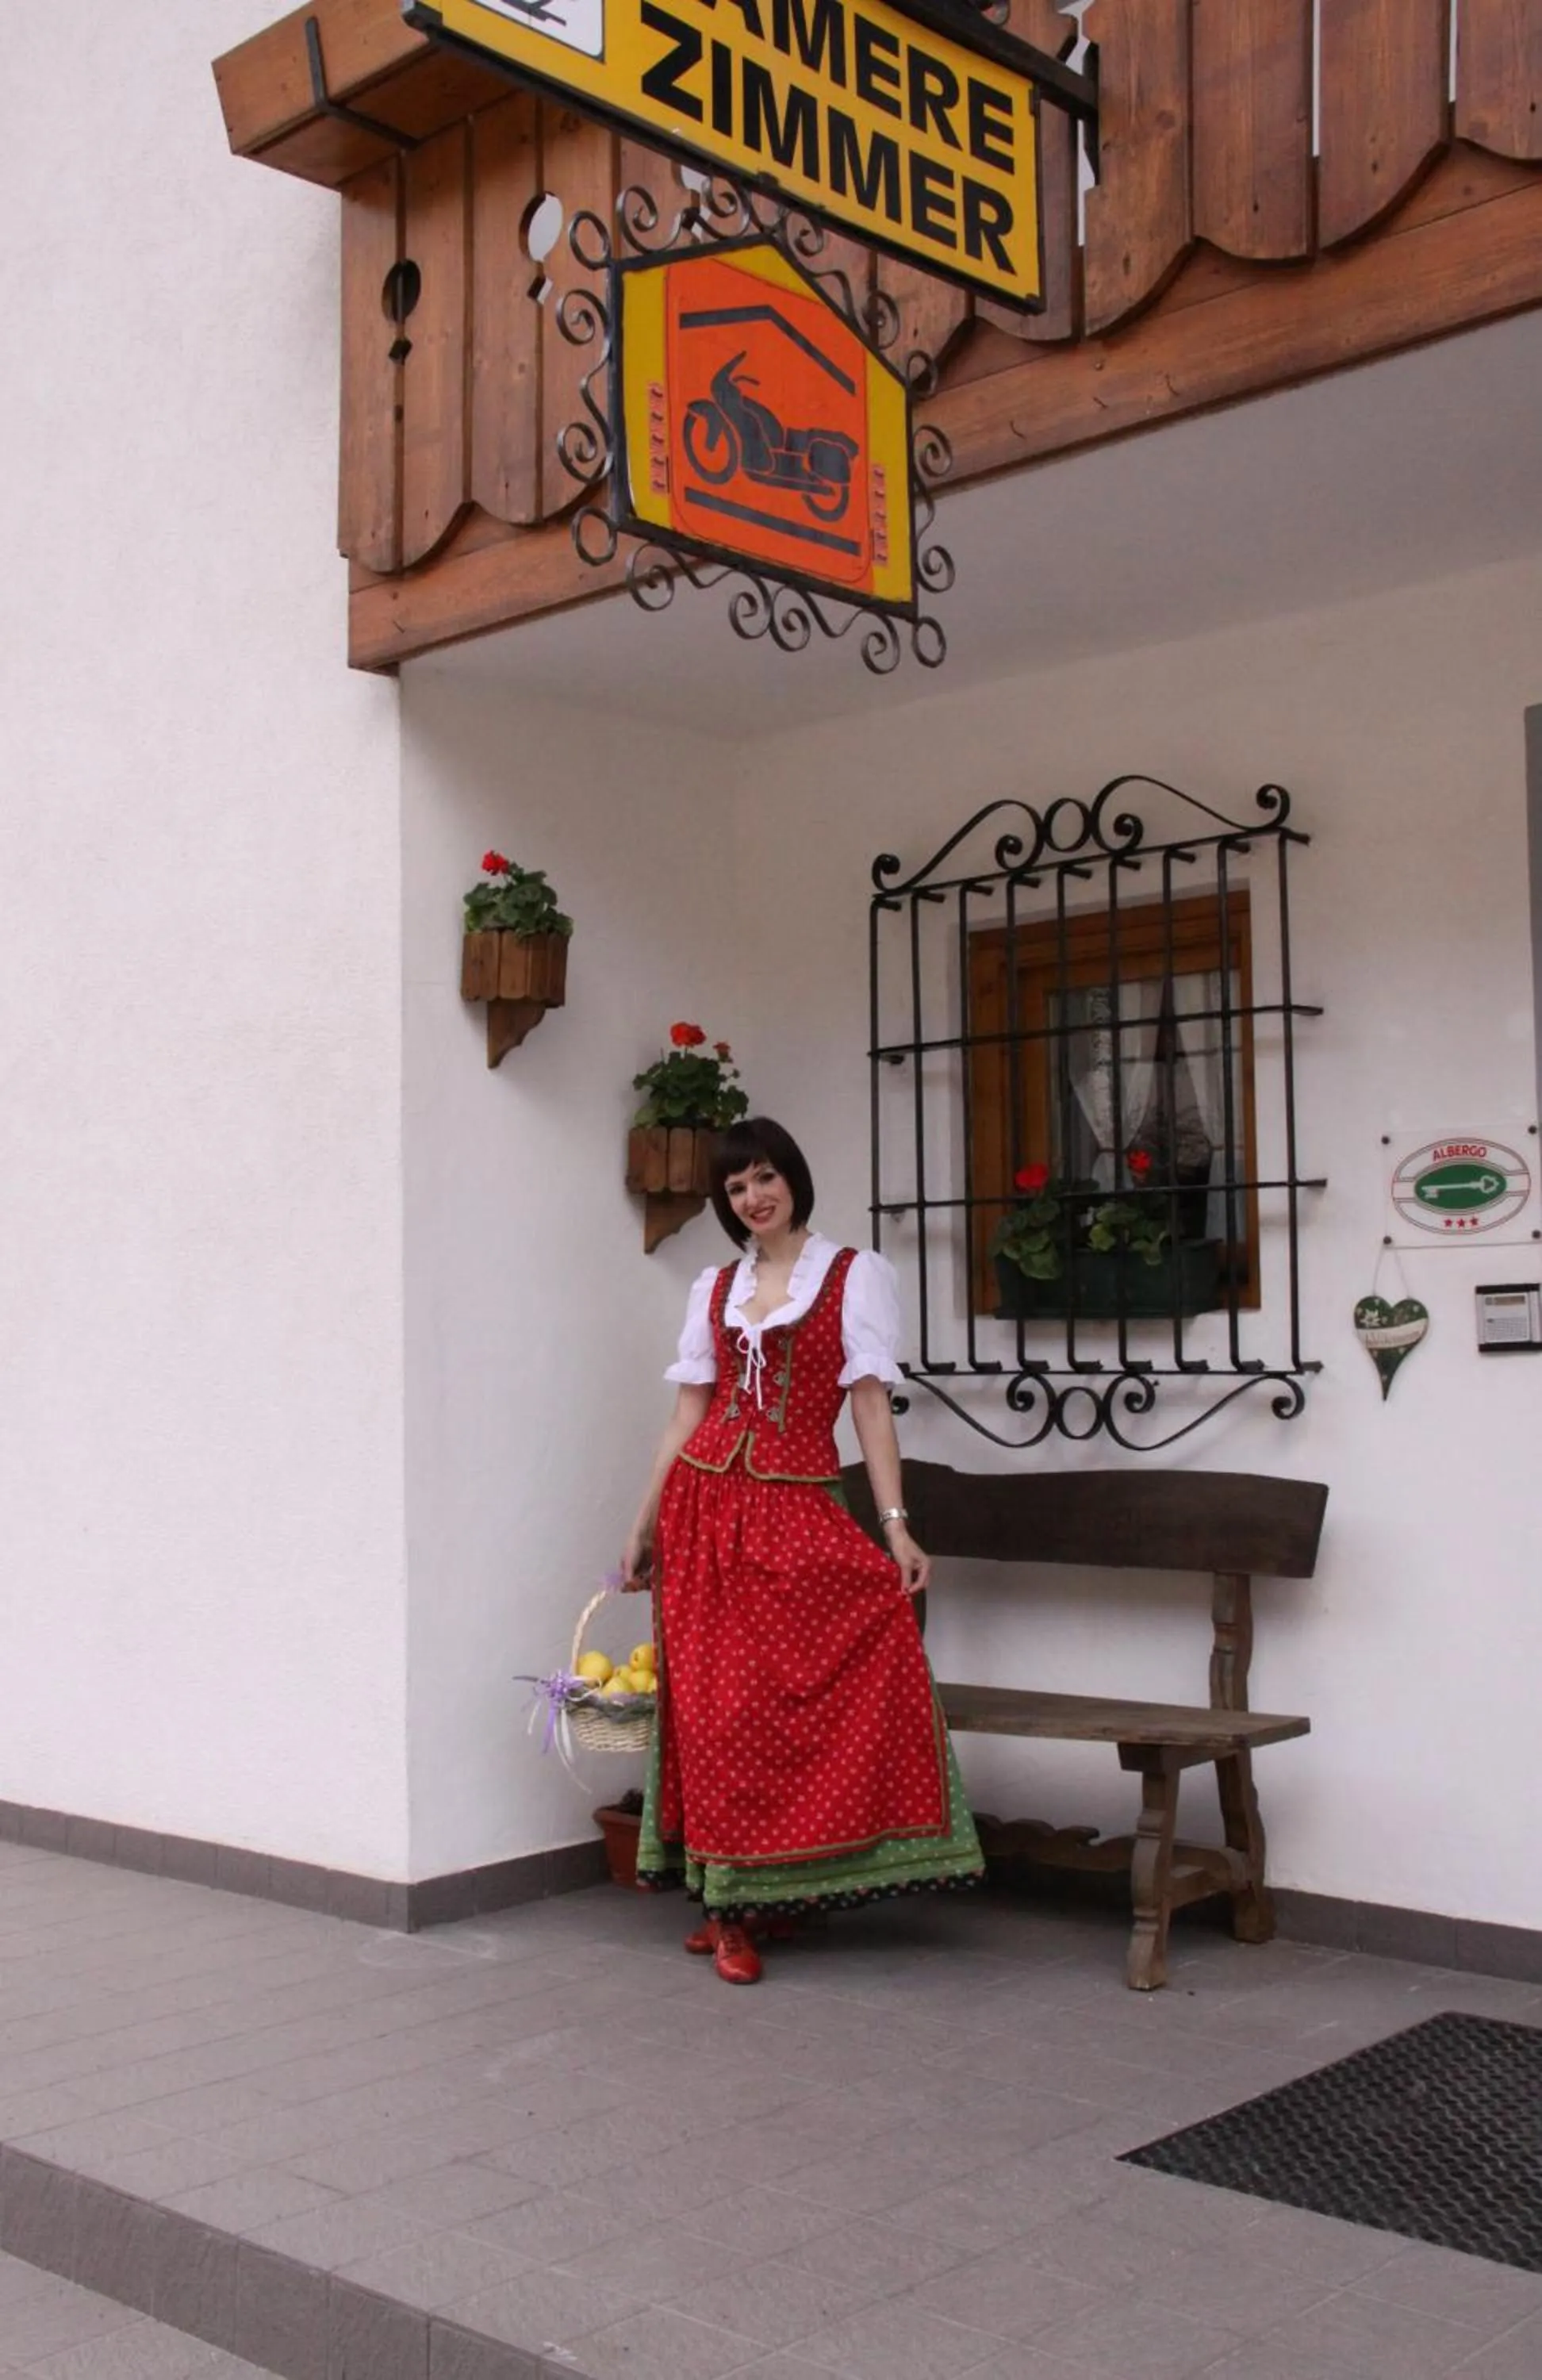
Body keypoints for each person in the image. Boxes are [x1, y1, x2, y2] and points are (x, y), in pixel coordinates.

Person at [623, 1116, 984, 1985]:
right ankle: (727, 1910)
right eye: (737, 1187)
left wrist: (894, 1522)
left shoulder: (856, 1277)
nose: (753, 1197)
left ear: (793, 1177)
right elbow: (689, 1416)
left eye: (764, 1177)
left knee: (798, 1687)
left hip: (796, 1507)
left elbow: (867, 1408)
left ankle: (775, 1890)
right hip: (704, 1512)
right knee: (715, 1711)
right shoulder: (713, 1287)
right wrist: (641, 1523)